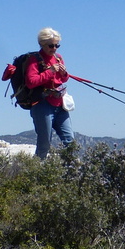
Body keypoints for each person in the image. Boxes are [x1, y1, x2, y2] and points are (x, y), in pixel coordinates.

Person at [26, 27, 75, 159]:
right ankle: (36, 173)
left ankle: (72, 172)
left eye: (57, 45)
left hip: (60, 104)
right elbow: (31, 81)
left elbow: (62, 79)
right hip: (43, 105)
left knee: (70, 141)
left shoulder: (58, 58)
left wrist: (64, 74)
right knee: (44, 143)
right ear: (42, 44)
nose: (54, 48)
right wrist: (50, 72)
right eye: (51, 45)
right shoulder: (34, 59)